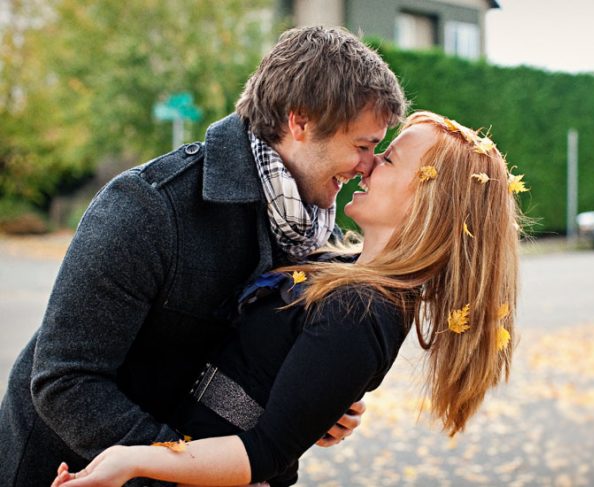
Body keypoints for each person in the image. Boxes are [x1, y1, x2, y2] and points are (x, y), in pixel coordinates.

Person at [0, 26, 406, 487]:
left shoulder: (320, 233)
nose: (369, 167)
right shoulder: (149, 206)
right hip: (66, 468)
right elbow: (64, 380)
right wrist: (182, 476)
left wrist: (310, 398)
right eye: (363, 146)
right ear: (301, 122)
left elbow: (256, 372)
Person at [51, 111, 523, 487]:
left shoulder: (367, 309)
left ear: (428, 203)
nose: (370, 163)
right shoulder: (341, 264)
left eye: (390, 159)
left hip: (201, 470)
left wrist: (131, 461)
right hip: (184, 453)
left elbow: (265, 453)